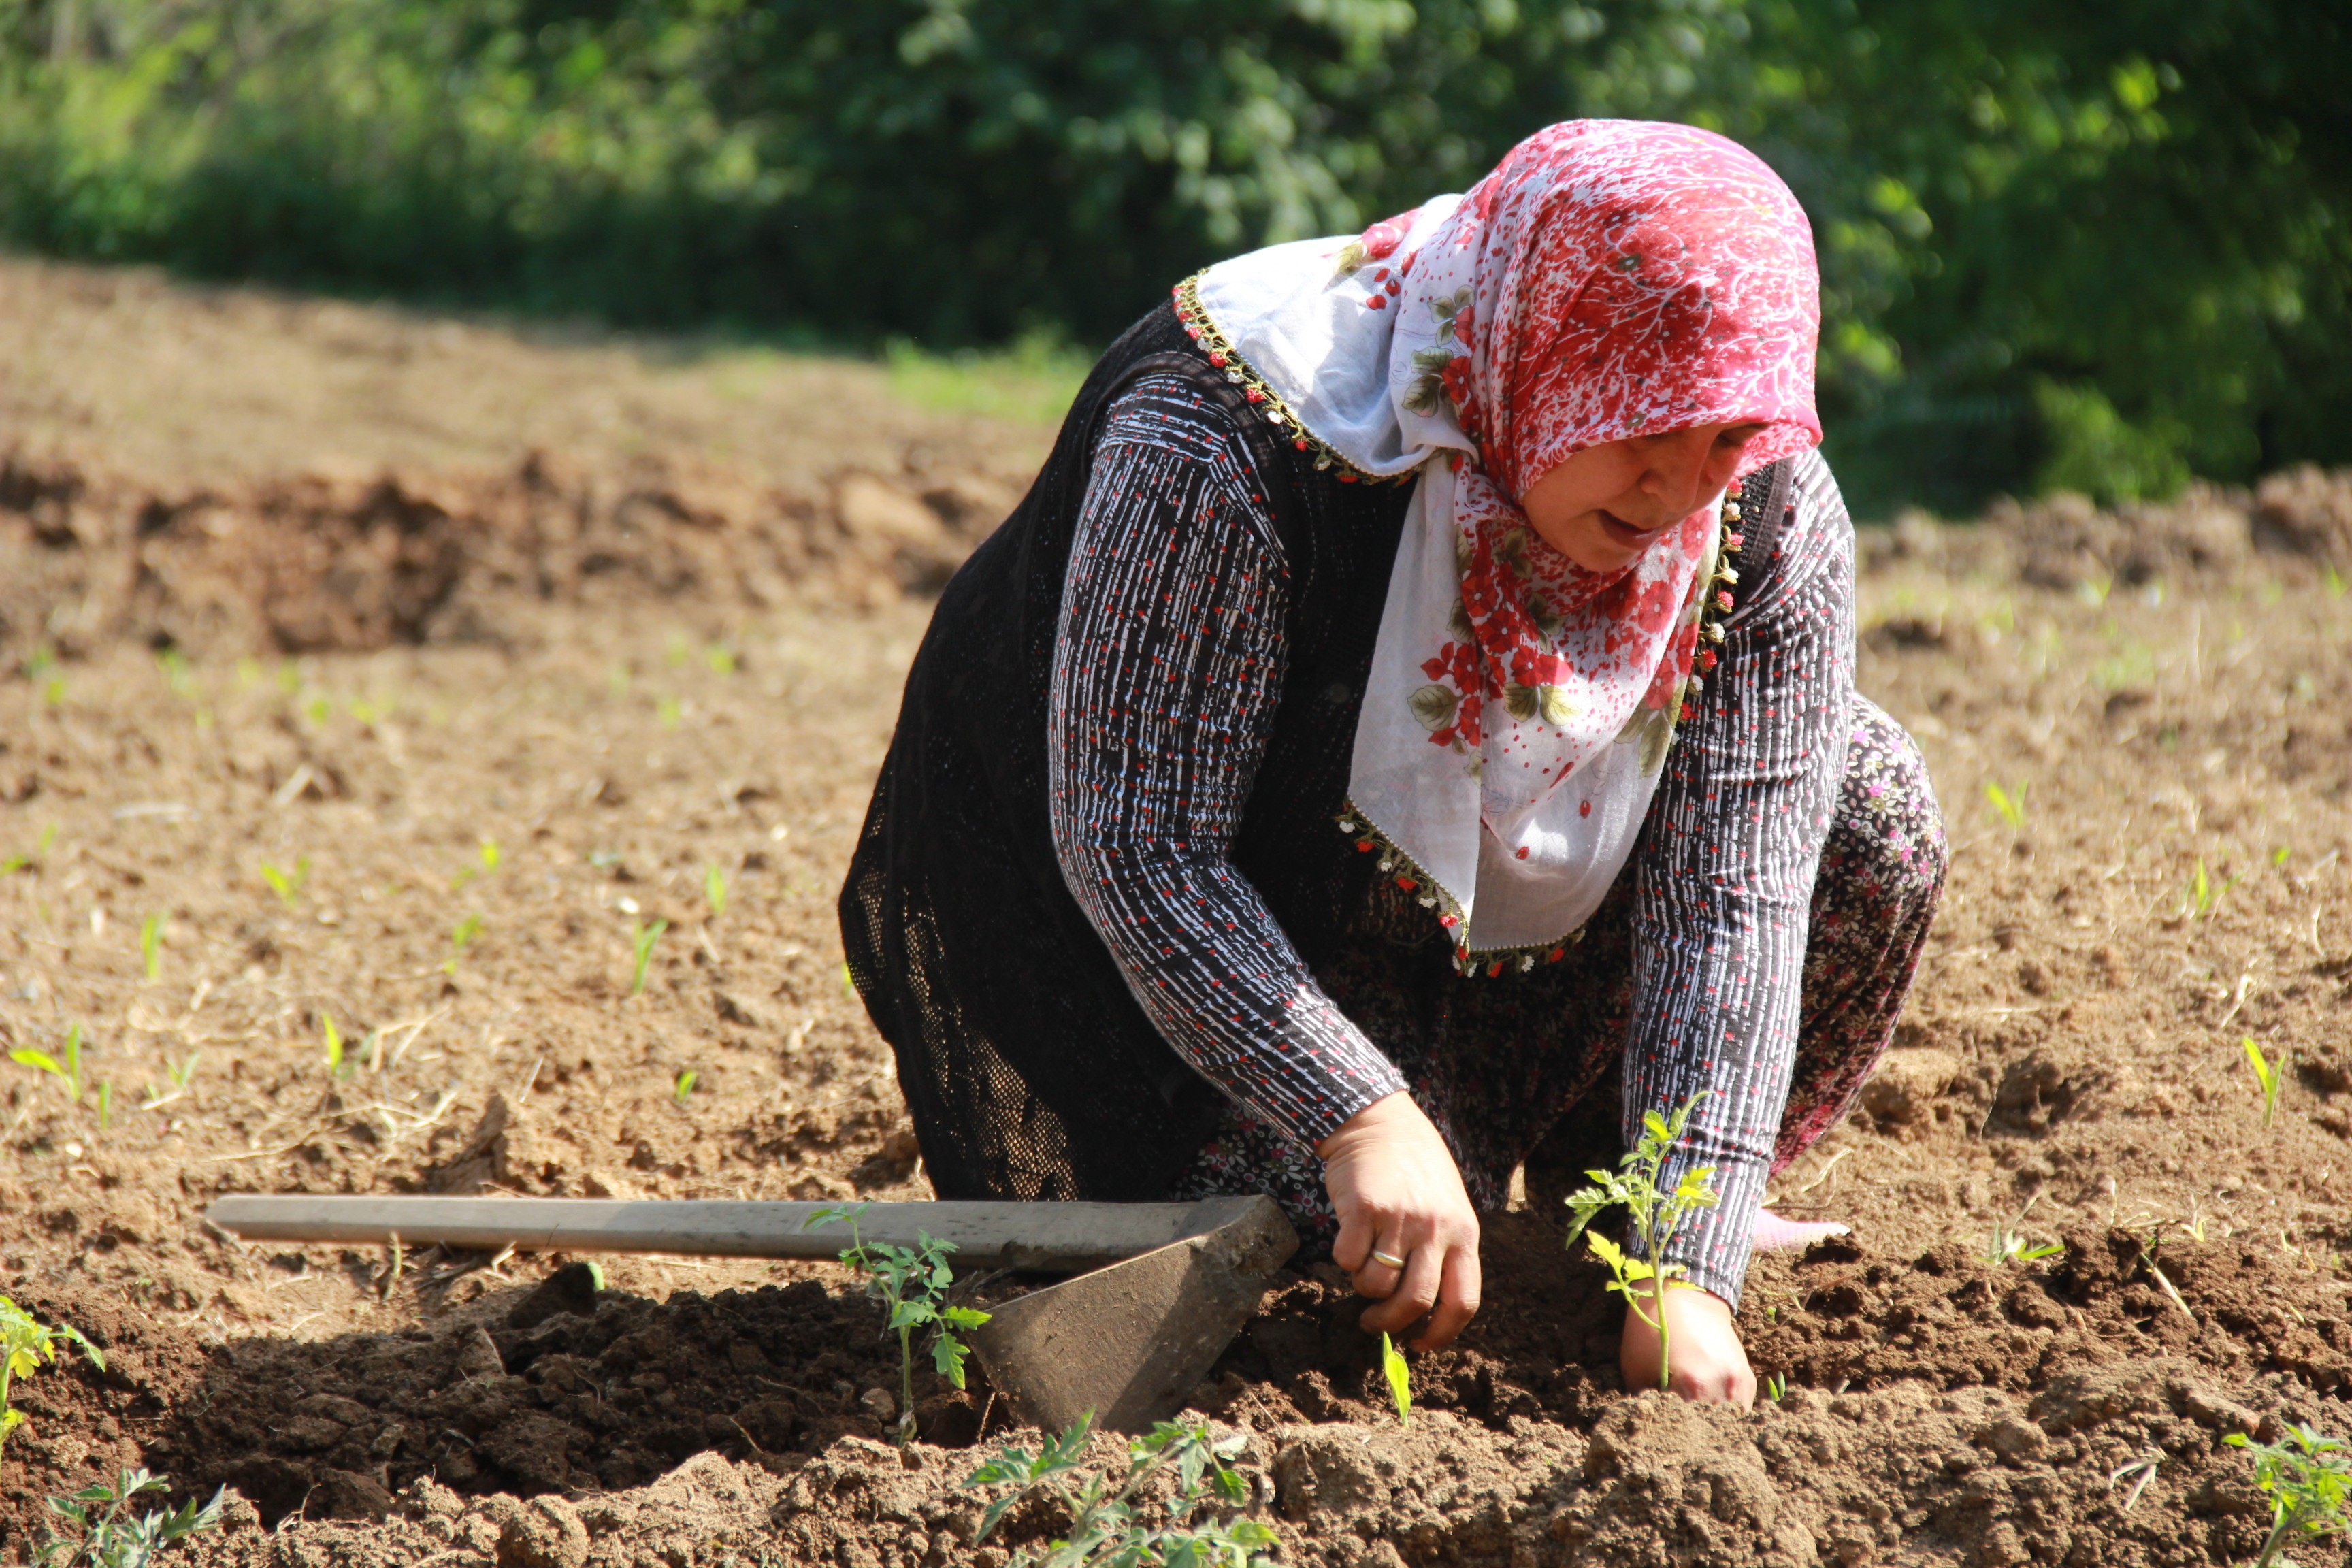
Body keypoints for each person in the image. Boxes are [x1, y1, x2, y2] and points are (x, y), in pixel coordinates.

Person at [840, 120, 1946, 1407]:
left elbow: (1738, 895)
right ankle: (1423, 1155)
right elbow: (1139, 845)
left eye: (1725, 432)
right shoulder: (1228, 437)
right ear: (1548, 346)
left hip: (1476, 934)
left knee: (1870, 804)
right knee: (1332, 1262)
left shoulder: (1762, 501)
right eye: (1646, 415)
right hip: (1179, 918)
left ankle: (1602, 1204)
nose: (1680, 484)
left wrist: (1680, 1260)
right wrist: (1355, 1111)